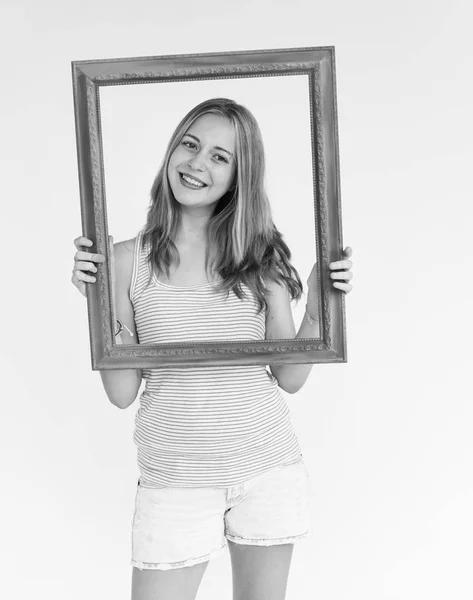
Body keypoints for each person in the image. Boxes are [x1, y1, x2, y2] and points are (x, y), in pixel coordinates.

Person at [72, 98, 353, 600]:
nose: (197, 163)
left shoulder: (259, 259)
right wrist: (96, 303)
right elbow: (121, 393)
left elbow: (289, 376)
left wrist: (320, 302)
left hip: (266, 469)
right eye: (190, 144)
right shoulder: (124, 261)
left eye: (220, 157)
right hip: (174, 481)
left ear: (238, 178)